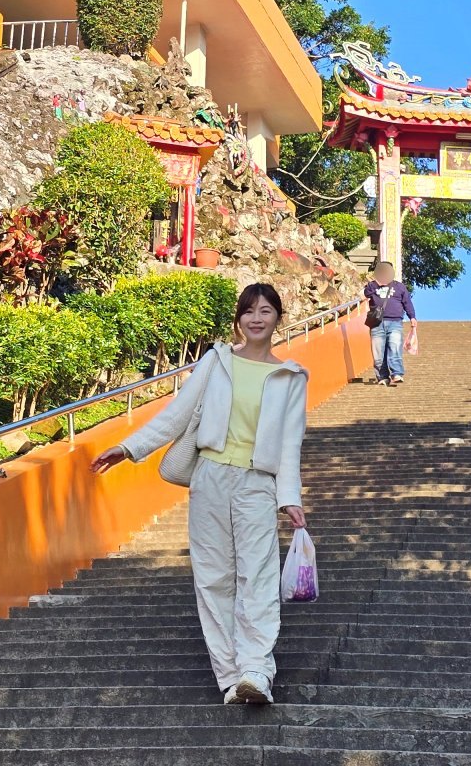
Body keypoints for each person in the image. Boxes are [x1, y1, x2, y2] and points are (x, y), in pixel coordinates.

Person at [91, 283, 308, 706]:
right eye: (249, 311)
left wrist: (290, 497)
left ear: (278, 318)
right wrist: (129, 448)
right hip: (209, 477)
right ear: (238, 320)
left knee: (257, 577)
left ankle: (256, 670)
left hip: (256, 484)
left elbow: (290, 443)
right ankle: (230, 678)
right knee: (213, 579)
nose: (257, 318)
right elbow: (177, 414)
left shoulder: (291, 376)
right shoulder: (216, 361)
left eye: (266, 310)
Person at [364, 261, 417, 386]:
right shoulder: (373, 286)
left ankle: (396, 374)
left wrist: (412, 317)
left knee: (395, 348)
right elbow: (365, 294)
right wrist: (376, 283)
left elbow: (407, 303)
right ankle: (382, 377)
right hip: (377, 323)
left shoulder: (399, 287)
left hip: (395, 322)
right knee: (378, 353)